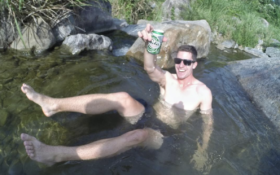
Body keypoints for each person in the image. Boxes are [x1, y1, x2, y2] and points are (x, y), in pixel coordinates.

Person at [20, 24, 213, 166]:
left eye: (186, 62)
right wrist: (148, 46)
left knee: (137, 136)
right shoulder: (169, 79)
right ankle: (53, 104)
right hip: (147, 114)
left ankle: (58, 154)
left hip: (164, 133)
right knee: (123, 97)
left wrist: (203, 150)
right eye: (178, 60)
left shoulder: (203, 92)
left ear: (194, 65)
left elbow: (208, 123)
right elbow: (149, 67)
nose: (181, 65)